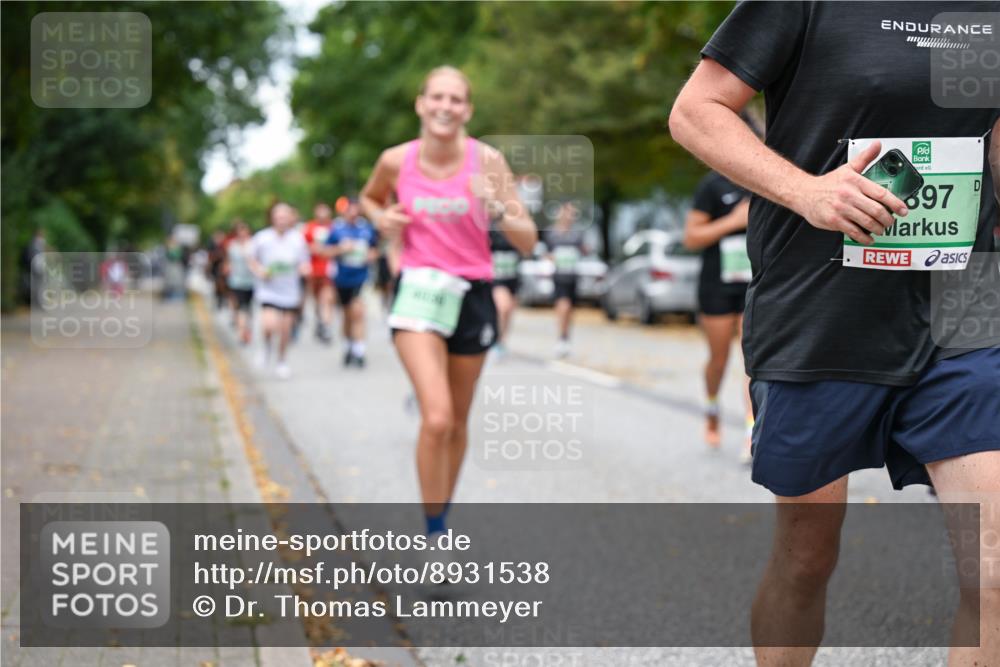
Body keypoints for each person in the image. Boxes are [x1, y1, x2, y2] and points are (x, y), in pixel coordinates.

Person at [670, 2, 999, 665]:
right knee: (806, 558)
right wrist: (809, 192)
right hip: (820, 312)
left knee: (992, 571)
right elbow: (695, 111)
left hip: (964, 308)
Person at [360, 65, 537, 541]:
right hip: (418, 292)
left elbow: (527, 239)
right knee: (436, 417)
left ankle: (440, 521)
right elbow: (370, 198)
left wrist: (497, 205)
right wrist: (382, 218)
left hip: (471, 294)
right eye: (437, 97)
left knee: (457, 422)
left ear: (468, 110)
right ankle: (434, 532)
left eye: (456, 99)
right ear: (420, 104)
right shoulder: (396, 160)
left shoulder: (488, 161)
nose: (445, 106)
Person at [683, 166, 754, 459]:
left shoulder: (766, 180)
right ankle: (712, 406)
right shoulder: (712, 185)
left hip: (754, 284)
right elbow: (691, 238)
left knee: (753, 359)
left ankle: (752, 431)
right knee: (719, 360)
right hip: (717, 286)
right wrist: (733, 221)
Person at [249, 202, 311, 379]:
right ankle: (266, 347)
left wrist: (305, 269)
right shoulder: (262, 238)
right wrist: (260, 271)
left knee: (285, 331)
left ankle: (282, 361)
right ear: (272, 218)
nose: (281, 220)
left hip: (289, 291)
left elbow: (304, 263)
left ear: (290, 218)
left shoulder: (297, 239)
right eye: (278, 217)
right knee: (269, 325)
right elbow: (251, 259)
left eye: (285, 217)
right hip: (268, 290)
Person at [324, 198, 378, 367]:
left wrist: (370, 255)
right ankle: (348, 345)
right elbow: (324, 251)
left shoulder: (367, 228)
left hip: (361, 278)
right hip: (342, 279)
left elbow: (375, 249)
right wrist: (340, 249)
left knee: (358, 312)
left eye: (356, 210)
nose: (353, 213)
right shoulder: (336, 228)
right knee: (347, 315)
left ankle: (359, 350)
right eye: (350, 210)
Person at [544, 202, 587, 359]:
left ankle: (566, 337)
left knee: (570, 309)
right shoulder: (551, 234)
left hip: (573, 276)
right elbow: (544, 252)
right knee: (563, 305)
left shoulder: (578, 234)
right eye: (568, 213)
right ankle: (561, 337)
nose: (570, 217)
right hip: (559, 277)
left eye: (573, 214)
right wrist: (551, 258)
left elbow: (584, 251)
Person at [303, 202, 336, 344]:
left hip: (329, 269)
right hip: (313, 269)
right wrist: (312, 248)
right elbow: (302, 246)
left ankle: (326, 325)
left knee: (327, 297)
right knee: (317, 298)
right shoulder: (309, 227)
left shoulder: (333, 227)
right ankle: (320, 320)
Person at [490, 227, 523, 359]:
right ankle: (496, 341)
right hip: (496, 278)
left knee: (508, 312)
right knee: (504, 307)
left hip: (513, 278)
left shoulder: (516, 228)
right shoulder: (490, 229)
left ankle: (501, 342)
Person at [225, 220, 255, 345]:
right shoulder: (232, 246)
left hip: (251, 282)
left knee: (248, 308)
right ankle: (242, 332)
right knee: (241, 307)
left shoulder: (253, 245)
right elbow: (228, 262)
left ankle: (246, 329)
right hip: (236, 282)